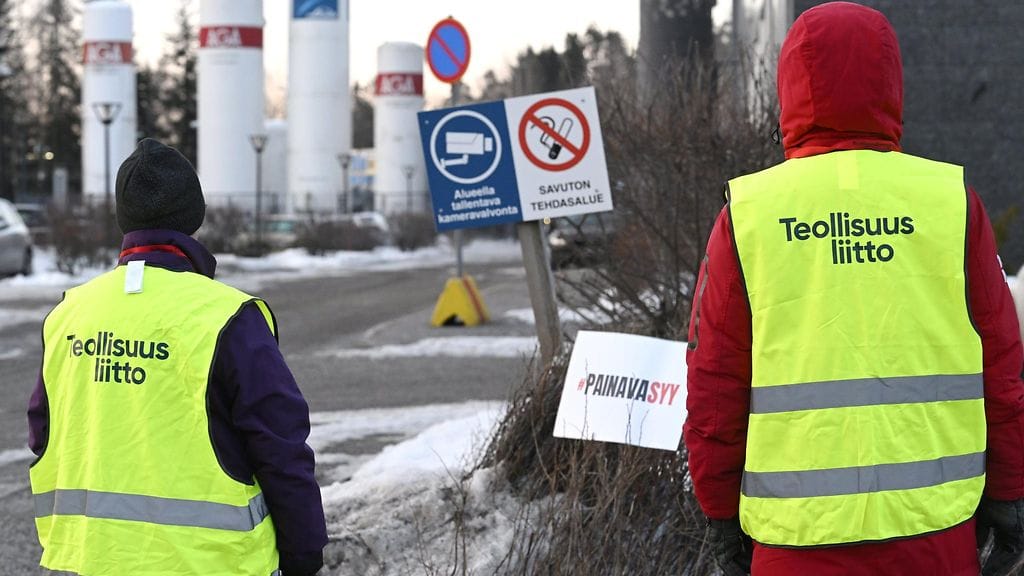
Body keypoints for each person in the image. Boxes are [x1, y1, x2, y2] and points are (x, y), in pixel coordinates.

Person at [683, 3, 1024, 575]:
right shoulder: (951, 205)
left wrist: (719, 511)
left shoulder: (748, 216)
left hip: (795, 545)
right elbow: (1001, 366)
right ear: (891, 82)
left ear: (789, 86)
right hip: (935, 536)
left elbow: (714, 382)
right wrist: (1010, 493)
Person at [28, 139, 327, 576]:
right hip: (215, 562)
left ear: (122, 218)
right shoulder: (228, 317)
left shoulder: (69, 313)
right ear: (194, 216)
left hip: (97, 559)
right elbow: (279, 445)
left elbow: (43, 432)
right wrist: (304, 551)